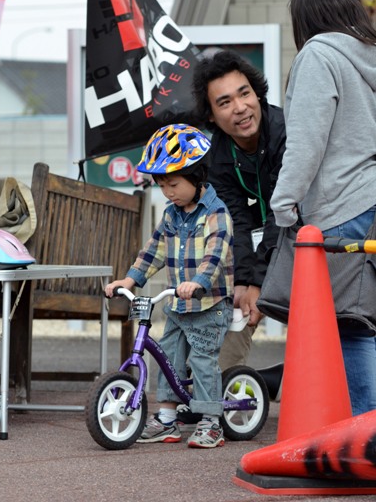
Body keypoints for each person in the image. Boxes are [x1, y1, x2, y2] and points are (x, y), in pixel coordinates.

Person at [270, 0, 376, 415]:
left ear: (305, 15)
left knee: (347, 326)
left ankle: (359, 439)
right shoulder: (369, 53)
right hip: (372, 200)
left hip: (341, 206)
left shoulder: (319, 55)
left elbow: (307, 141)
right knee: (369, 322)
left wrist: (283, 199)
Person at [105, 123, 234, 448]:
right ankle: (166, 418)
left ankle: (210, 420)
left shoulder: (216, 214)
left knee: (203, 360)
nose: (168, 192)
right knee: (168, 356)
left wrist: (199, 282)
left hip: (208, 305)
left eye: (174, 184)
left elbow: (215, 255)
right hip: (178, 305)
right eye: (162, 186)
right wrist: (130, 279)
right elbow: (154, 251)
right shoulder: (171, 215)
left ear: (197, 175)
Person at [191, 50, 286, 371]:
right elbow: (235, 220)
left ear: (257, 93)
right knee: (231, 289)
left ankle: (301, 379)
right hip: (266, 229)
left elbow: (283, 210)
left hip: (307, 227)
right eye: (225, 102)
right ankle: (218, 383)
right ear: (211, 117)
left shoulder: (286, 132)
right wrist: (243, 282)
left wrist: (258, 282)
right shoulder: (217, 152)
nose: (240, 107)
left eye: (244, 93)